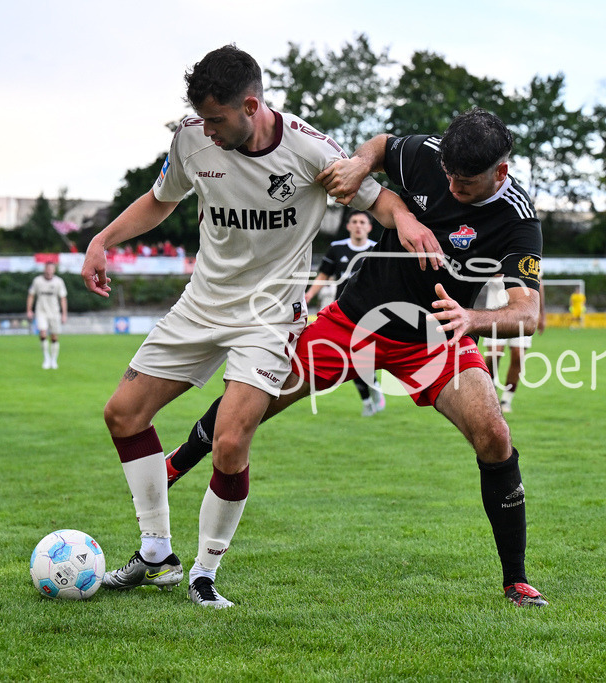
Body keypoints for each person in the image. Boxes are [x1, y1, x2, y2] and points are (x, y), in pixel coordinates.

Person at [79, 45, 434, 609]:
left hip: (269, 314)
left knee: (229, 441)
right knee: (122, 415)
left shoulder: (310, 149)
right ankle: (156, 554)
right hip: (202, 302)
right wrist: (102, 241)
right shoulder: (191, 138)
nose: (209, 131)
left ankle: (203, 571)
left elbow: (380, 198)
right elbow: (159, 199)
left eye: (218, 120)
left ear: (250, 105)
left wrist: (409, 220)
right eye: (203, 119)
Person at [166, 107, 549, 608]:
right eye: (450, 177)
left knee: (494, 435)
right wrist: (360, 163)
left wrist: (472, 320)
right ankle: (172, 467)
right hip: (354, 321)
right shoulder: (430, 156)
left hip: (436, 337)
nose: (454, 187)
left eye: (467, 182)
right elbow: (386, 143)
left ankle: (516, 580)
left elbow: (529, 312)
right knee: (253, 397)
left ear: (501, 171)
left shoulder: (517, 218)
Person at [304, 210, 385, 416]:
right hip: (343, 312)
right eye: (354, 221)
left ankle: (371, 392)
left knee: (360, 356)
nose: (358, 225)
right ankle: (369, 395)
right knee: (353, 357)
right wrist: (308, 295)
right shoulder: (336, 248)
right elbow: (323, 275)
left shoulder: (377, 250)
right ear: (348, 226)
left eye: (362, 222)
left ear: (369, 227)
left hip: (370, 313)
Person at [481, 276, 545, 413]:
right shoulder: (491, 254)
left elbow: (539, 284)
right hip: (495, 310)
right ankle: (491, 393)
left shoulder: (533, 256)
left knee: (518, 355)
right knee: (494, 354)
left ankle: (506, 400)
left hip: (522, 311)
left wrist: (542, 314)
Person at [27, 262, 68, 368]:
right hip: (41, 311)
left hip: (54, 312)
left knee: (54, 336)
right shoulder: (37, 281)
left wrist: (64, 314)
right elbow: (31, 295)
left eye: (51, 268)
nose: (49, 270)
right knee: (43, 333)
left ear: (54, 270)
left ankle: (54, 360)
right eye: (48, 268)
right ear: (44, 269)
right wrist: (29, 310)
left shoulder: (59, 281)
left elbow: (63, 298)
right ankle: (46, 358)